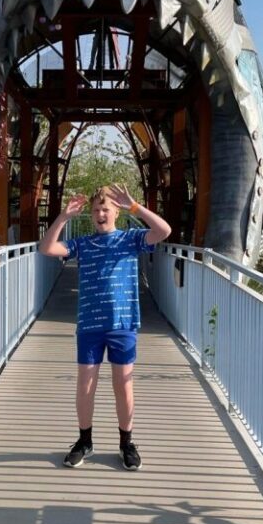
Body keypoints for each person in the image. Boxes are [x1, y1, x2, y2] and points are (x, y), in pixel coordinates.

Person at [38, 184, 171, 470]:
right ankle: (84, 441)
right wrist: (63, 217)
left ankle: (127, 443)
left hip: (122, 325)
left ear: (116, 213)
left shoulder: (131, 239)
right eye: (96, 210)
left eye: (106, 209)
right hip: (89, 325)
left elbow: (163, 231)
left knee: (123, 386)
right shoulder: (83, 244)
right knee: (85, 385)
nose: (100, 213)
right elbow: (46, 247)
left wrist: (135, 207)